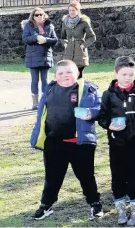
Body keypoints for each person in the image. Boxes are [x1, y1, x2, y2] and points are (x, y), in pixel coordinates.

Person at [30, 60, 103, 221]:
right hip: (54, 142)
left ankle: (95, 203)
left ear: (77, 73)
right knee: (52, 176)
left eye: (69, 72)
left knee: (86, 176)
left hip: (79, 143)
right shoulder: (49, 89)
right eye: (61, 73)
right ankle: (46, 204)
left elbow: (100, 108)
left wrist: (91, 113)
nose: (65, 76)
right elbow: (41, 115)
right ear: (55, 76)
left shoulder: (87, 89)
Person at [97, 56, 135, 226]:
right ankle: (120, 208)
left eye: (131, 74)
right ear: (116, 73)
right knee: (117, 175)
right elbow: (102, 117)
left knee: (134, 174)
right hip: (116, 142)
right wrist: (110, 126)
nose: (128, 77)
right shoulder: (108, 94)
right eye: (124, 74)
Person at [22, 7, 58, 110]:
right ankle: (35, 103)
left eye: (41, 14)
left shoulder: (49, 26)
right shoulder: (28, 26)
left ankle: (45, 100)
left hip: (45, 56)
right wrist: (36, 38)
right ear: (33, 16)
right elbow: (25, 39)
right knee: (34, 80)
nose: (39, 16)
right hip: (33, 57)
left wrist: (46, 40)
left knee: (45, 80)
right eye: (36, 15)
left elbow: (55, 40)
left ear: (44, 15)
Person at [60, 0, 96, 78]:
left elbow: (92, 37)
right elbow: (62, 37)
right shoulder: (65, 22)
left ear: (78, 11)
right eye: (70, 10)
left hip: (80, 53)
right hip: (68, 53)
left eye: (73, 10)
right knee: (69, 77)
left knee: (79, 77)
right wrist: (65, 44)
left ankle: (81, 90)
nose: (71, 12)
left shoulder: (84, 22)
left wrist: (83, 45)